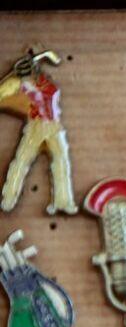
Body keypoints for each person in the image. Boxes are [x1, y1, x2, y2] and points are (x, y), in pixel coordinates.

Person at [0, 50, 76, 214]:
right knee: (21, 161)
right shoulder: (24, 86)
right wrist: (16, 75)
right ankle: (8, 199)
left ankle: (63, 202)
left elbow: (49, 92)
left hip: (54, 126)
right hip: (36, 126)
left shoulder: (46, 84)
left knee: (61, 161)